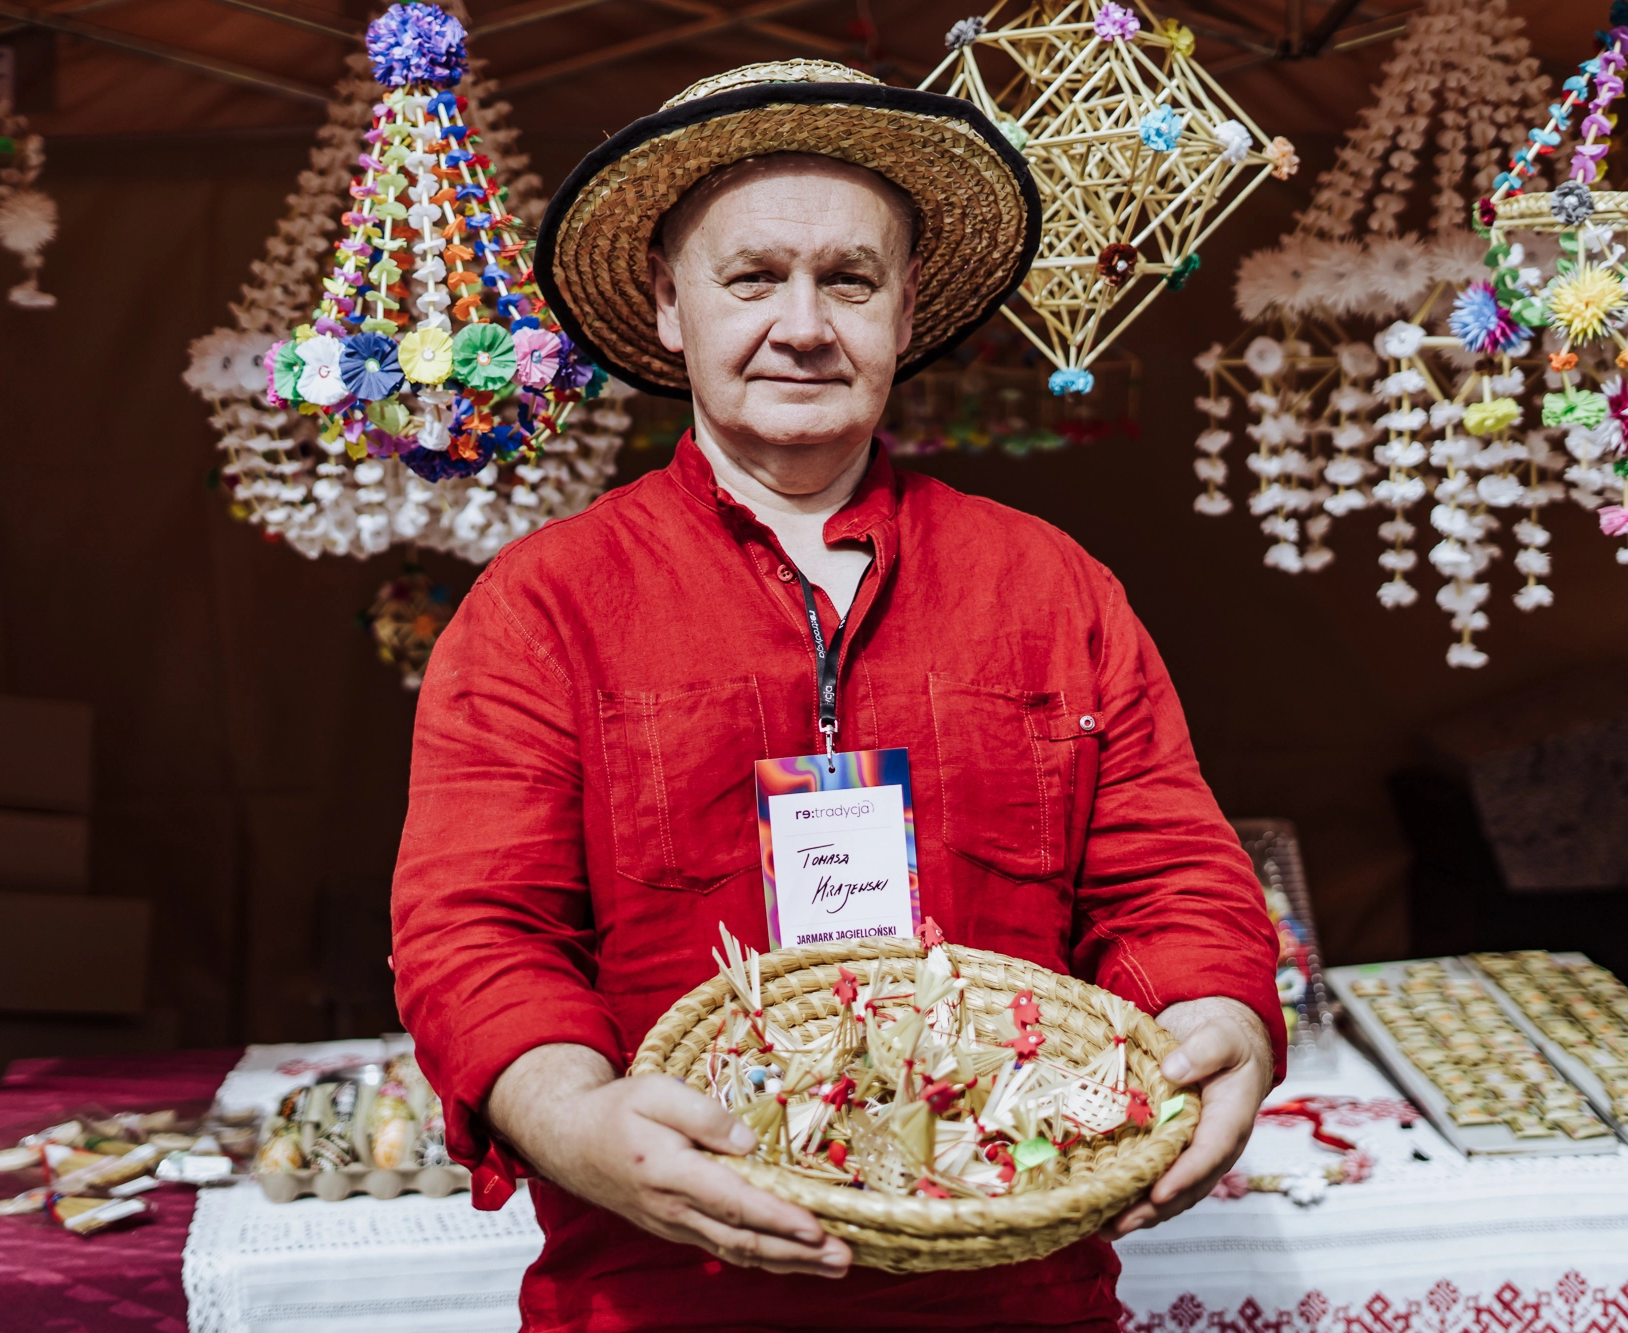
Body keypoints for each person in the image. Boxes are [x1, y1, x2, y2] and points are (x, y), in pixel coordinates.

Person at [393, 59, 1282, 1333]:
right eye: (752, 277)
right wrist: (575, 1119)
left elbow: (1169, 877)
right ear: (667, 305)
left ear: (904, 309)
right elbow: (477, 931)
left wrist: (1218, 1019)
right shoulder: (545, 604)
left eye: (848, 280)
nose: (803, 325)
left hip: (1013, 1293)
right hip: (666, 1297)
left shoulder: (1050, 587)